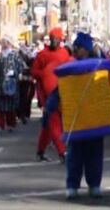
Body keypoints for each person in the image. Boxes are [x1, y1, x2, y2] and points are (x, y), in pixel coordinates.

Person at [44, 32, 108, 200]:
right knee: (74, 156)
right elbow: (61, 89)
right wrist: (49, 107)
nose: (75, 50)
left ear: (85, 50)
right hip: (76, 120)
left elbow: (106, 91)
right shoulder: (70, 69)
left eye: (77, 47)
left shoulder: (98, 67)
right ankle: (72, 185)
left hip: (93, 119)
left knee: (94, 155)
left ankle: (94, 185)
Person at [31, 27, 71, 162]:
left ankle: (40, 151)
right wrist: (44, 74)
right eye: (52, 38)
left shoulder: (65, 54)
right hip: (47, 94)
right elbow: (34, 71)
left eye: (56, 39)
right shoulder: (42, 55)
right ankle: (62, 151)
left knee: (49, 124)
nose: (54, 41)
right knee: (54, 123)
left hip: (62, 93)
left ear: (60, 40)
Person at [0, 36, 26, 132]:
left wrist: (14, 73)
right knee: (0, 105)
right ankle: (0, 124)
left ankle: (11, 124)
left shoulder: (14, 55)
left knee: (11, 104)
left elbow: (21, 67)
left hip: (12, 82)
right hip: (1, 82)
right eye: (2, 42)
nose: (3, 43)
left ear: (9, 43)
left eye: (5, 42)